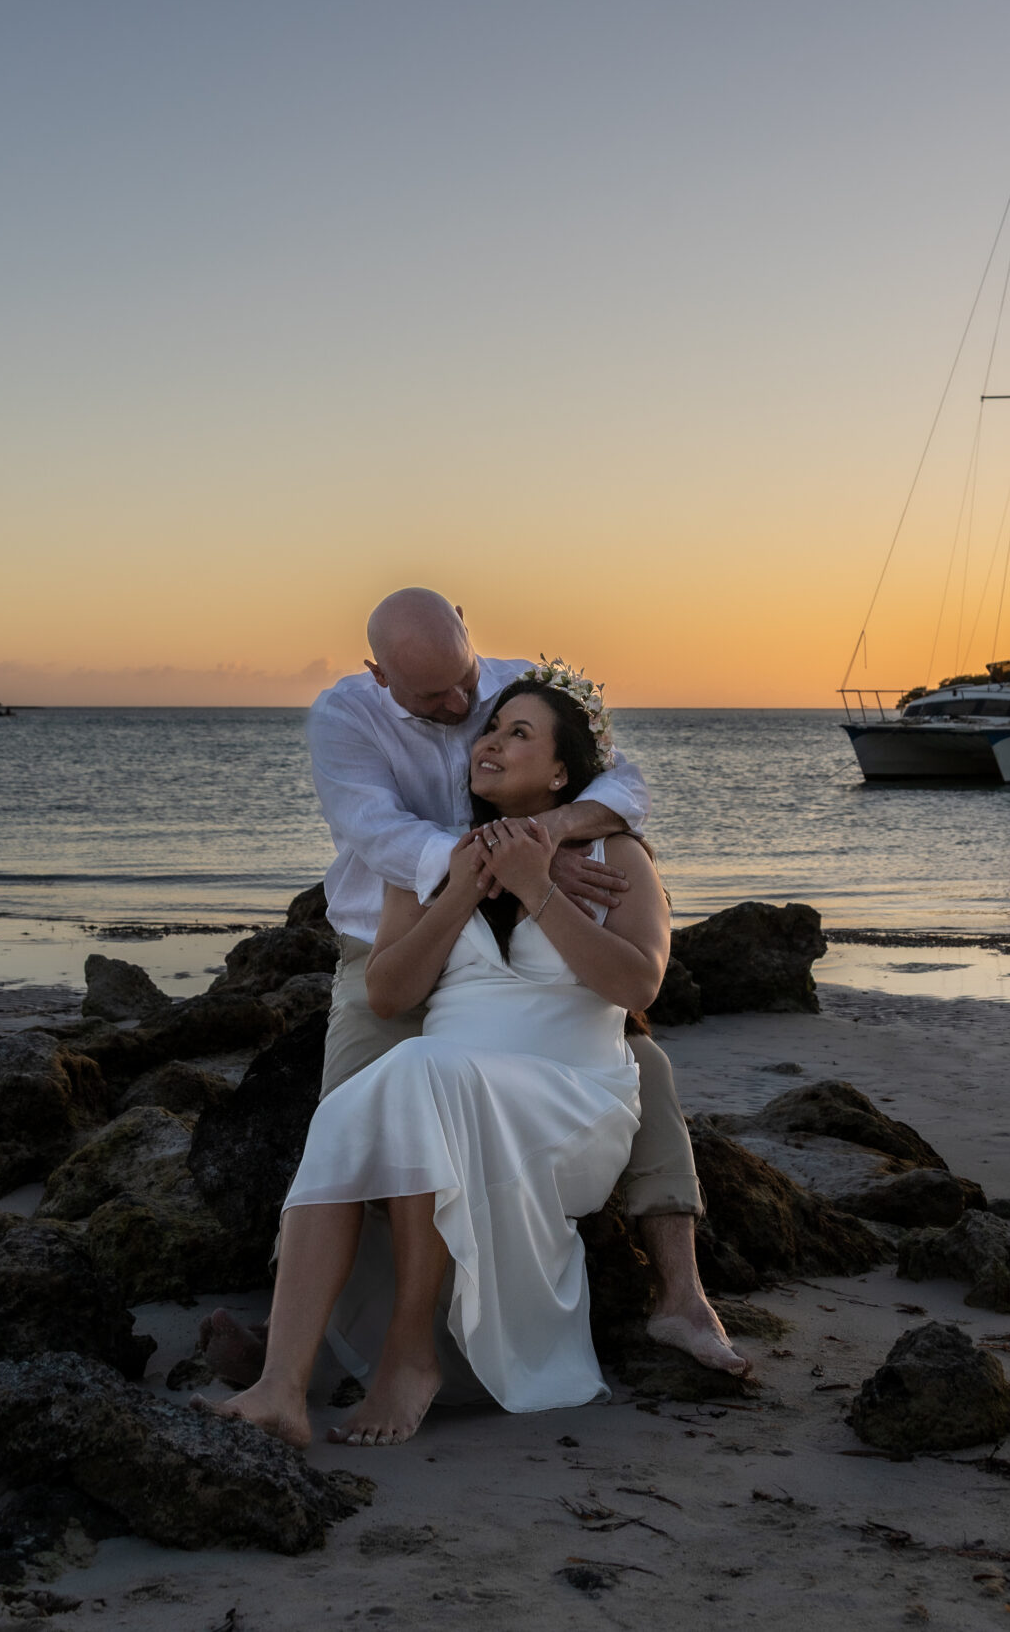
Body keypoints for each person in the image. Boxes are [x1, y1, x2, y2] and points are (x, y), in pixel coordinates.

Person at [289, 588, 746, 1377]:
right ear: (378, 675)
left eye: (468, 680)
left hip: (541, 980)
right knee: (347, 1116)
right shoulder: (343, 722)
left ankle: (682, 1295)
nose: (467, 708)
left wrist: (548, 839)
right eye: (438, 698)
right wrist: (495, 861)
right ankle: (309, 1340)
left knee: (648, 1068)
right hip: (392, 936)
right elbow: (383, 837)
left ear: (467, 626)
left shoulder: (516, 687)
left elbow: (622, 786)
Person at [209, 668, 666, 1446]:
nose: (491, 741)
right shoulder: (430, 857)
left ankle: (410, 1353)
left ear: (563, 770)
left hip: (570, 1103)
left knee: (421, 1073)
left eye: (519, 732)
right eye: (491, 730)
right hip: (452, 1085)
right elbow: (388, 993)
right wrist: (466, 883)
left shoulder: (612, 854)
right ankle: (279, 1386)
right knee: (355, 1105)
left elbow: (638, 983)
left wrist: (538, 885)